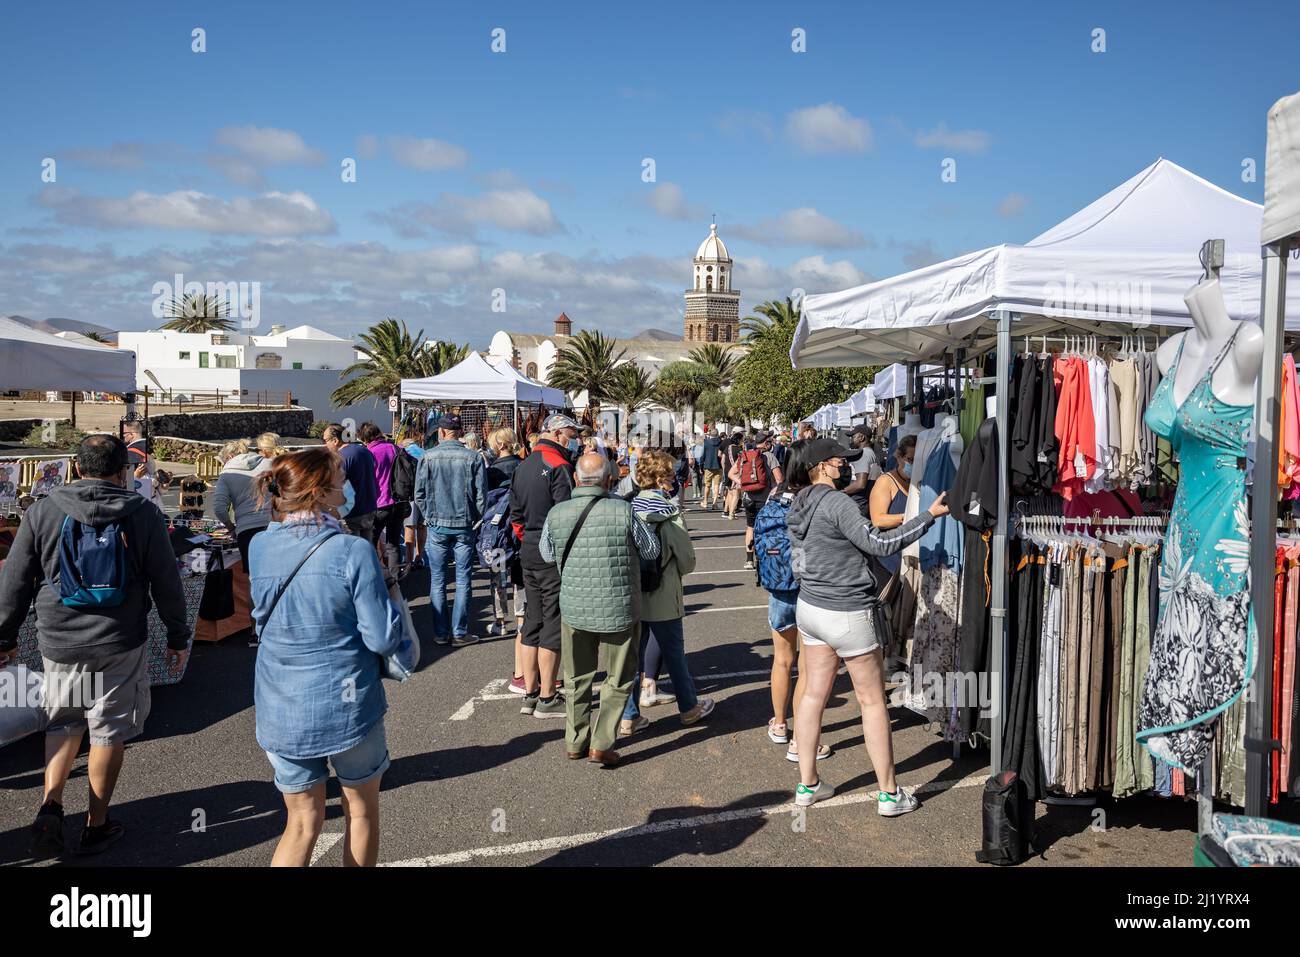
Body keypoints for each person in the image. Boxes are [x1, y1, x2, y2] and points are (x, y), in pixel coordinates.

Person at [0, 434, 189, 858]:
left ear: (76, 467)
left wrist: (4, 638)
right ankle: (96, 824)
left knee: (64, 721)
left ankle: (51, 802)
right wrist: (178, 637)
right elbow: (167, 582)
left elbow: (14, 582)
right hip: (120, 638)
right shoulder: (142, 513)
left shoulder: (42, 512)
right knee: (106, 730)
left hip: (60, 638)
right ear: (123, 469)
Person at [249, 448, 403, 867]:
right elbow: (381, 637)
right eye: (340, 476)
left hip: (280, 702)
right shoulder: (352, 551)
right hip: (346, 702)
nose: (347, 483)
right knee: (361, 810)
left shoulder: (260, 546)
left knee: (300, 822)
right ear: (321, 490)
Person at [785, 437, 948, 814]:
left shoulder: (801, 501)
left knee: (812, 696)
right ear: (824, 466)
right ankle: (890, 794)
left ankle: (808, 785)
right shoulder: (837, 502)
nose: (849, 467)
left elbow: (803, 556)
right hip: (846, 611)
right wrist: (928, 517)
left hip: (811, 608)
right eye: (842, 461)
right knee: (872, 701)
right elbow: (878, 543)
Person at [540, 452, 661, 766]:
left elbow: (546, 555)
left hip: (575, 608)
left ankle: (574, 740)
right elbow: (651, 549)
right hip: (619, 607)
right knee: (618, 678)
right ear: (610, 480)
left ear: (577, 479)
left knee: (576, 677)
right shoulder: (624, 510)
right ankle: (602, 742)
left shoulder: (557, 513)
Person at [618, 451, 714, 738]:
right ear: (660, 480)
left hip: (633, 590)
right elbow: (687, 560)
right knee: (674, 654)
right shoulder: (669, 512)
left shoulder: (627, 508)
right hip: (663, 590)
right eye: (671, 475)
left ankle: (628, 716)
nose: (674, 480)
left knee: (632, 657)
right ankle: (689, 708)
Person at [752, 440, 828, 763]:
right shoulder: (812, 500)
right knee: (808, 668)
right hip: (809, 590)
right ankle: (802, 741)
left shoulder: (774, 497)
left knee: (782, 660)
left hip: (779, 590)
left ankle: (780, 724)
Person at [508, 413, 579, 712]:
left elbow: (516, 515)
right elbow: (565, 515)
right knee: (551, 619)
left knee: (532, 618)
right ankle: (548, 696)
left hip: (528, 548)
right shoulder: (559, 466)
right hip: (550, 550)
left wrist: (529, 537)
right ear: (558, 433)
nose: (574, 440)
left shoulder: (522, 465)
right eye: (572, 435)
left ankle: (531, 692)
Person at [413, 413, 486, 647]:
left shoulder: (428, 457)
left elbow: (419, 494)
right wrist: (475, 518)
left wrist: (430, 517)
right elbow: (481, 496)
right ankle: (459, 631)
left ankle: (441, 632)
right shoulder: (473, 457)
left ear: (441, 433)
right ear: (459, 432)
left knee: (438, 580)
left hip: (438, 525)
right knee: (463, 579)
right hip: (464, 523)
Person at [485, 428, 526, 642]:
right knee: (519, 574)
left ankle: (500, 620)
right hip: (519, 526)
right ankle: (521, 617)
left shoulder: (492, 471)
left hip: (497, 529)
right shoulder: (523, 466)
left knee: (498, 573)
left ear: (501, 445)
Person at [211, 438, 273, 570]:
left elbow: (219, 509)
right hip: (274, 525)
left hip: (247, 531)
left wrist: (231, 528)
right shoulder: (269, 463)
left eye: (223, 461)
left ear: (230, 456)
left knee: (255, 577)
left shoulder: (227, 474)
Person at [728, 430, 784, 570]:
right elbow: (779, 479)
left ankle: (749, 560)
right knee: (765, 528)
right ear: (766, 443)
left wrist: (743, 483)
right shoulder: (770, 456)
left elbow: (731, 473)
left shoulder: (744, 455)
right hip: (764, 499)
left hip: (748, 498)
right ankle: (763, 558)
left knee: (750, 527)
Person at [359, 423, 408, 571]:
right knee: (393, 544)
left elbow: (367, 480)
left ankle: (376, 577)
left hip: (379, 504)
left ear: (365, 438)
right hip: (399, 501)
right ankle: (395, 581)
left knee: (370, 543)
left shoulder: (369, 453)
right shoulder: (395, 448)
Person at [322, 423, 378, 538]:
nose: (325, 445)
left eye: (326, 440)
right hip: (370, 509)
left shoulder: (340, 458)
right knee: (366, 549)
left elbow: (335, 486)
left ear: (335, 440)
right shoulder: (365, 451)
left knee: (351, 552)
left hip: (351, 513)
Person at [396, 428, 426, 566]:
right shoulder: (425, 453)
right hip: (425, 494)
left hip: (411, 495)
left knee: (409, 527)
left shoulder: (404, 453)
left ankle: (408, 560)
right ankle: (419, 557)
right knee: (422, 526)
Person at [842, 424, 883, 516]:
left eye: (853, 437)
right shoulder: (871, 453)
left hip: (858, 503)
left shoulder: (863, 454)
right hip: (865, 502)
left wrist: (840, 492)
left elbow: (860, 484)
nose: (851, 440)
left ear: (861, 437)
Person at [698, 428, 723, 509]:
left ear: (710, 435)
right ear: (717, 434)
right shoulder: (721, 443)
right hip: (718, 466)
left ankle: (705, 501)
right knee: (716, 485)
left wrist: (700, 466)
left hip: (708, 466)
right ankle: (714, 503)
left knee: (707, 485)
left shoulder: (706, 443)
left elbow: (702, 455)